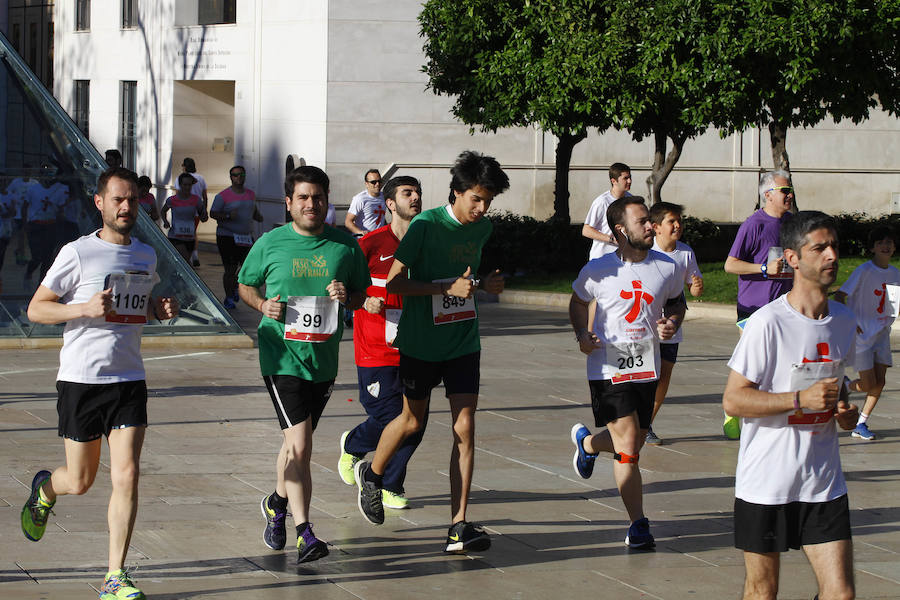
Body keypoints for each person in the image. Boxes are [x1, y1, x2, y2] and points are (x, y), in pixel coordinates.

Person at [21, 167, 178, 600]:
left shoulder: (145, 255)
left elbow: (139, 307)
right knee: (81, 480)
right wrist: (82, 309)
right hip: (82, 380)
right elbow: (37, 309)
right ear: (100, 203)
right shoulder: (77, 253)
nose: (126, 207)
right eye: (117, 200)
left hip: (128, 378)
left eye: (132, 200)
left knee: (127, 474)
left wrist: (160, 309)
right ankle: (46, 489)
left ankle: (115, 575)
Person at [354, 150, 509, 554]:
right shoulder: (425, 226)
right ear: (457, 192)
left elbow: (468, 278)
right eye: (476, 199)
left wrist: (486, 285)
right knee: (411, 420)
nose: (482, 208)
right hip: (421, 343)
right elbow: (394, 284)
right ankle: (372, 474)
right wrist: (444, 289)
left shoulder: (483, 228)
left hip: (463, 341)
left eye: (488, 201)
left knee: (465, 427)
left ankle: (458, 526)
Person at [722, 211, 859, 600]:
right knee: (763, 591)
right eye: (820, 248)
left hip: (823, 481)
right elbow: (734, 398)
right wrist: (799, 399)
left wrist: (844, 411)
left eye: (835, 246)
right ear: (793, 258)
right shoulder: (767, 323)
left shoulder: (843, 320)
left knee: (841, 593)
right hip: (767, 482)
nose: (832, 255)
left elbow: (836, 386)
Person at [238, 165, 369, 563]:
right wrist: (263, 305)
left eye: (318, 197)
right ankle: (305, 532)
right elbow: (245, 284)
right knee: (301, 444)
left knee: (293, 443)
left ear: (328, 201)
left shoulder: (344, 246)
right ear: (288, 202)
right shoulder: (271, 242)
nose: (312, 204)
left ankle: (276, 503)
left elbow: (361, 295)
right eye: (304, 198)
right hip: (281, 356)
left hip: (322, 360)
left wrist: (347, 295)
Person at [568, 196, 686, 549]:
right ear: (621, 230)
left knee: (634, 437)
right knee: (630, 444)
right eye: (642, 222)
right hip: (607, 366)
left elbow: (677, 302)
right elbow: (578, 301)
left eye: (650, 220)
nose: (651, 226)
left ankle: (588, 443)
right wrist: (582, 334)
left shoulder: (667, 267)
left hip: (646, 366)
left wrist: (672, 321)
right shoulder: (598, 270)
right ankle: (638, 524)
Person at [337, 175, 424, 509]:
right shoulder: (371, 243)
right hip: (375, 350)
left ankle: (390, 484)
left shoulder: (425, 243)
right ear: (390, 204)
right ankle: (354, 444)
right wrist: (363, 301)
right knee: (391, 415)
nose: (415, 198)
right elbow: (343, 287)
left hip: (416, 348)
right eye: (407, 193)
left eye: (417, 192)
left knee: (415, 421)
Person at [722, 170, 795, 438]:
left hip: (785, 307)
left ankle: (771, 415)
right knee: (753, 364)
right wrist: (764, 268)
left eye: (790, 190)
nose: (789, 195)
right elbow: (730, 265)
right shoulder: (753, 225)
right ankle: (732, 409)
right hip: (753, 309)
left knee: (780, 363)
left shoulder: (792, 224)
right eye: (784, 191)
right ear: (768, 195)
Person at [834, 225, 900, 441]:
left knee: (880, 382)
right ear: (872, 248)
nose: (885, 246)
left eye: (889, 242)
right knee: (869, 383)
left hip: (882, 334)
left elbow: (893, 303)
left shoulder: (895, 273)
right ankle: (845, 385)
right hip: (862, 336)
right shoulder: (864, 271)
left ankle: (861, 423)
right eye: (880, 243)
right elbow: (840, 295)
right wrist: (849, 322)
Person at [645, 201, 703, 445]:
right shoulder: (645, 251)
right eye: (672, 221)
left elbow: (693, 288)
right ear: (656, 227)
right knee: (645, 375)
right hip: (645, 326)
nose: (678, 225)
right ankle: (631, 420)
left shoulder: (685, 253)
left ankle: (646, 424)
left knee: (663, 377)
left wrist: (696, 287)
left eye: (679, 221)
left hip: (671, 326)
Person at [209, 165, 263, 308]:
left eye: (241, 175)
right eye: (235, 175)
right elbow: (213, 213)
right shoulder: (222, 196)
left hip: (246, 237)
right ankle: (229, 298)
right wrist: (227, 215)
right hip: (227, 236)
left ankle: (234, 287)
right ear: (231, 177)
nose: (238, 177)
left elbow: (252, 209)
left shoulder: (251, 194)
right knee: (230, 269)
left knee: (249, 266)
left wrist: (258, 216)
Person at [582, 162, 632, 260]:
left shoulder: (631, 200)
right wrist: (612, 239)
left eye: (630, 177)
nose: (629, 181)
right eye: (625, 178)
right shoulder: (602, 202)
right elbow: (586, 230)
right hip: (602, 258)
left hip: (624, 257)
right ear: (614, 181)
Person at [161, 173, 208, 264]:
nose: (187, 187)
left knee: (183, 264)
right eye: (185, 185)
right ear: (180, 185)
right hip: (175, 236)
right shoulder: (172, 200)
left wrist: (204, 216)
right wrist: (165, 221)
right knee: (186, 263)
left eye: (189, 185)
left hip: (190, 237)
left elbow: (203, 217)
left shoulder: (196, 200)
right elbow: (163, 211)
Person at [22, 178, 59, 285]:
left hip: (50, 225)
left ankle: (42, 283)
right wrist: (25, 224)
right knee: (37, 256)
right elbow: (25, 206)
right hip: (35, 225)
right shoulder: (33, 189)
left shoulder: (58, 190)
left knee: (47, 258)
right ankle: (29, 272)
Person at [181, 157, 208, 267]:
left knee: (185, 233)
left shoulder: (182, 178)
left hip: (184, 210)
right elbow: (205, 196)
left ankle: (189, 256)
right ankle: (194, 255)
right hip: (197, 211)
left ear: (185, 167)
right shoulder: (201, 178)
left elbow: (178, 194)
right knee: (193, 232)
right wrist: (204, 210)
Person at [344, 169, 386, 236]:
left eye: (379, 181)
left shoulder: (383, 196)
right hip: (363, 239)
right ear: (366, 184)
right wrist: (360, 232)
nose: (377, 184)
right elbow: (348, 222)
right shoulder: (360, 199)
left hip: (378, 238)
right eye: (373, 182)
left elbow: (380, 217)